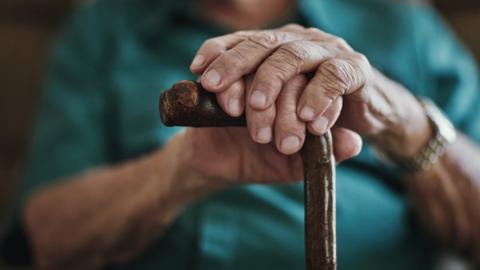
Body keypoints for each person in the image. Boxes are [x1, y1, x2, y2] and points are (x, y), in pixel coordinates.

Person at [9, 0, 480, 269]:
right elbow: (49, 237)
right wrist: (181, 171)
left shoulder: (401, 24)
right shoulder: (104, 27)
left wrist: (403, 121)